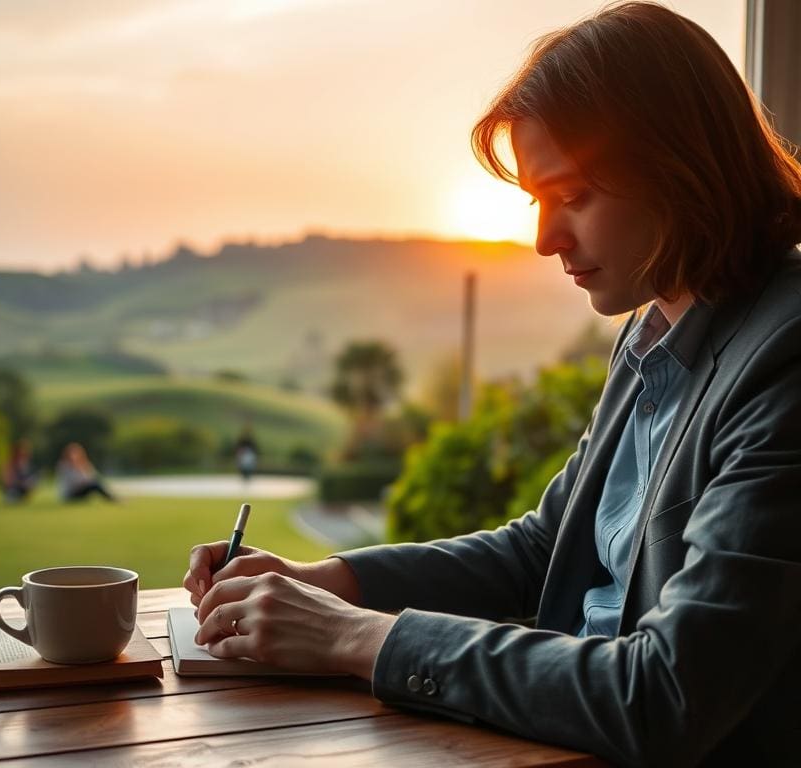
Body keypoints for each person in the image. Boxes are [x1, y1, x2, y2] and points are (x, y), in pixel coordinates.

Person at [182, 3, 801, 766]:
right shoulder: (654, 335)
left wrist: (353, 637)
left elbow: (670, 695)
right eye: (539, 201)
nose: (545, 239)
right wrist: (328, 580)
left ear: (684, 168)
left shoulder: (786, 356)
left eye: (573, 197)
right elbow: (542, 552)